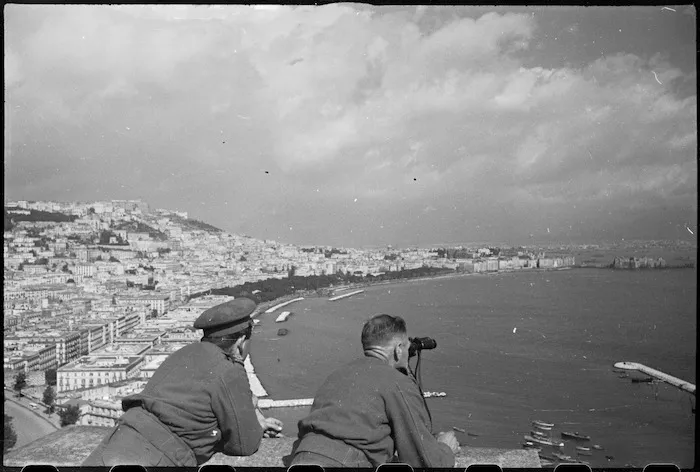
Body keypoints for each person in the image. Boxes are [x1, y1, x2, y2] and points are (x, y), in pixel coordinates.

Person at [83, 297, 283, 467]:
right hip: (158, 458)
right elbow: (244, 445)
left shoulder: (183, 354)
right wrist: (255, 424)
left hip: (114, 444)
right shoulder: (230, 370)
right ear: (240, 342)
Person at [289, 314, 459, 468]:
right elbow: (425, 461)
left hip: (300, 459)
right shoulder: (397, 382)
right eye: (407, 347)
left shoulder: (337, 374)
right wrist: (446, 448)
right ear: (398, 349)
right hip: (345, 462)